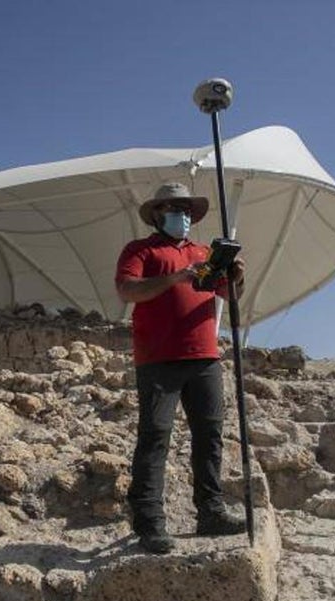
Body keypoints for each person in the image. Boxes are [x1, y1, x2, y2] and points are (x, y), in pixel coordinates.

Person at [114, 182, 247, 554]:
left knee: (210, 435)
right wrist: (175, 277)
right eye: (175, 209)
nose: (183, 216)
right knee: (155, 435)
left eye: (187, 210)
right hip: (159, 358)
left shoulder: (203, 252)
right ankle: (149, 520)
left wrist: (235, 277)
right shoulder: (140, 250)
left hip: (204, 357)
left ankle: (210, 510)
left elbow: (228, 295)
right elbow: (127, 290)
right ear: (157, 214)